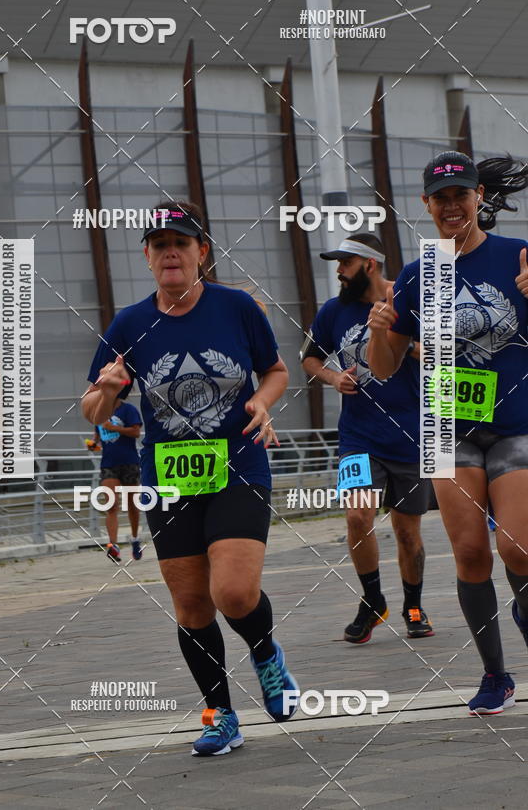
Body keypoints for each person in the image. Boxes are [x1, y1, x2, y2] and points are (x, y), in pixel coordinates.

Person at [82, 201, 299, 755]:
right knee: (192, 606)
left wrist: (261, 399)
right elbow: (92, 410)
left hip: (238, 464)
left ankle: (266, 652)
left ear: (202, 251)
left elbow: (276, 369)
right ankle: (220, 717)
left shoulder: (237, 308)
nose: (170, 252)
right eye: (159, 245)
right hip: (170, 477)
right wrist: (108, 390)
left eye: (180, 242)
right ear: (149, 259)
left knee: (232, 591)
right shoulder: (129, 324)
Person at [366, 151, 528, 715]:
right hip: (445, 427)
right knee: (469, 555)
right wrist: (381, 331)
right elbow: (383, 368)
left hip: (515, 424)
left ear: (479, 197)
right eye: (441, 198)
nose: (452, 206)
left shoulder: (517, 256)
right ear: (426, 206)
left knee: (519, 548)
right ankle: (495, 676)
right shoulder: (421, 273)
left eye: (461, 195)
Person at [301, 233, 434, 644]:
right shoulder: (332, 312)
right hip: (357, 436)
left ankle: (413, 603)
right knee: (358, 515)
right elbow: (309, 358)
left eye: (345, 263)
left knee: (408, 531)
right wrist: (332, 376)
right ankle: (373, 600)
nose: (339, 271)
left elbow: (448, 356)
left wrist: (414, 348)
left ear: (370, 265)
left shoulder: (410, 302)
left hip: (411, 436)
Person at [88, 398, 143, 562]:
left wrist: (115, 428)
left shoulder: (128, 410)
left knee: (132, 505)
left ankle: (134, 538)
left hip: (129, 462)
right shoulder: (99, 412)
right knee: (111, 505)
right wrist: (93, 444)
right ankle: (113, 546)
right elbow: (98, 436)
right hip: (108, 464)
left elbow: (136, 432)